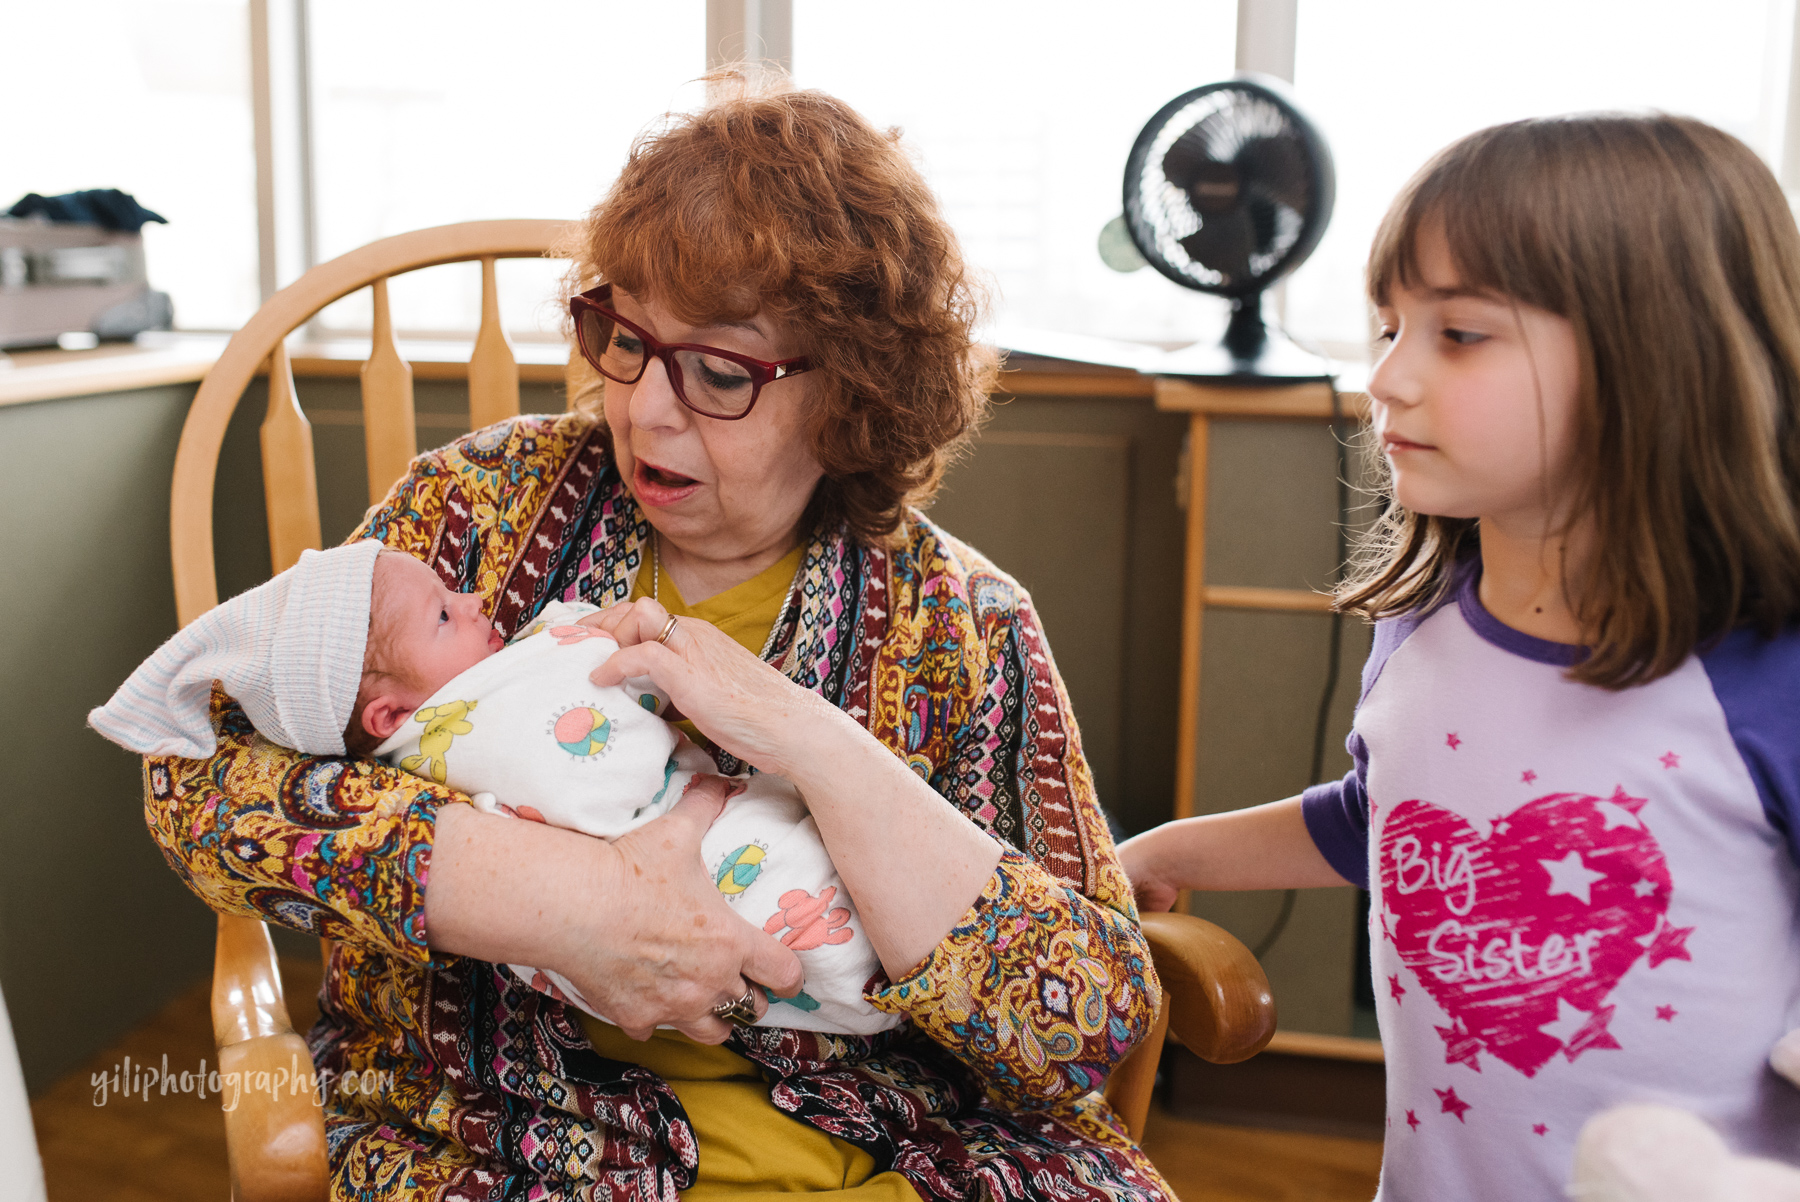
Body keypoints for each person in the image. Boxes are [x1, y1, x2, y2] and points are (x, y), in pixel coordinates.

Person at [144, 74, 1171, 1201]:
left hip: (901, 1150)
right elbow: (196, 782)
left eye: (721, 371)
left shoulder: (960, 623)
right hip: (506, 1137)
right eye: (625, 337)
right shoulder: (475, 513)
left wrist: (819, 746)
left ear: (856, 393)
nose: (644, 408)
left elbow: (1091, 1009)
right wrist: (560, 902)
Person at [1120, 113, 1800, 1200]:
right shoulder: (1429, 614)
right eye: (1388, 328)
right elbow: (1387, 815)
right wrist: (1169, 846)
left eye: (1460, 335)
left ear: (1658, 357)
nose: (1386, 378)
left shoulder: (1770, 671)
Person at [92, 540, 892, 1035]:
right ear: (390, 713)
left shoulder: (963, 611)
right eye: (445, 614)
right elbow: (596, 780)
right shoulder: (464, 723)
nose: (474, 599)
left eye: (719, 375)